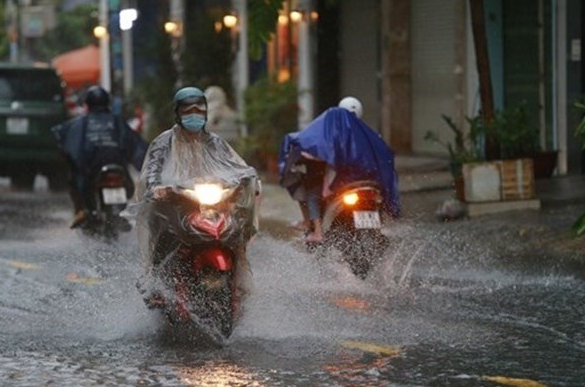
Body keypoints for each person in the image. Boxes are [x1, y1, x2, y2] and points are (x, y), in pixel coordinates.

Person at [130, 86, 259, 307]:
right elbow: (152, 171)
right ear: (178, 113)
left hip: (211, 201)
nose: (194, 115)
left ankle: (239, 282)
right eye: (188, 110)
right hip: (176, 202)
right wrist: (157, 188)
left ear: (206, 112)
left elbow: (235, 165)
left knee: (235, 231)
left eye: (199, 110)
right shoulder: (164, 142)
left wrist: (247, 177)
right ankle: (156, 284)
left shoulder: (214, 141)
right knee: (163, 232)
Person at [279, 96, 400, 243]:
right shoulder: (370, 135)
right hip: (369, 183)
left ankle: (318, 232)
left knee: (313, 194)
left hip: (344, 184)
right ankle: (379, 229)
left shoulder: (334, 134)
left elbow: (319, 149)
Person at [51, 85, 147, 228]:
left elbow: (60, 134)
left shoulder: (80, 123)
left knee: (75, 177)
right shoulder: (117, 121)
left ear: (87, 104)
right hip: (117, 166)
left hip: (91, 168)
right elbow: (135, 143)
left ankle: (82, 210)